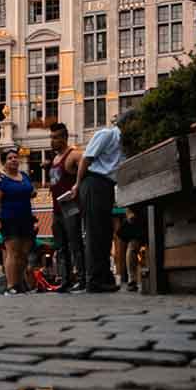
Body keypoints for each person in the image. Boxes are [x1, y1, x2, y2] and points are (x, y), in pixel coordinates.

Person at [70, 115, 128, 293]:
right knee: (95, 232)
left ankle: (104, 277)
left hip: (107, 186)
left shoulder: (125, 144)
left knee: (105, 233)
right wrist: (78, 185)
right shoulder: (107, 134)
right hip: (93, 182)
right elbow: (86, 160)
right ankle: (94, 280)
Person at [47, 122, 86, 293]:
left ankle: (83, 278)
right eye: (51, 137)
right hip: (56, 209)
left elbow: (85, 159)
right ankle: (65, 280)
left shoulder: (73, 154)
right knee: (60, 247)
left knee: (75, 243)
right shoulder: (54, 159)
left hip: (70, 206)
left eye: (55, 138)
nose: (52, 141)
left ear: (64, 138)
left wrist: (77, 184)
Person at [0, 147, 37, 296]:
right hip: (9, 218)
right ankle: (11, 285)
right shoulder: (1, 179)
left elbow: (31, 191)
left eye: (15, 157)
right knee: (12, 252)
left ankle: (19, 283)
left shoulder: (24, 176)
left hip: (26, 217)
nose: (14, 160)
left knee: (24, 253)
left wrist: (32, 192)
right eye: (10, 158)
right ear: (4, 162)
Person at [117, 208, 146, 292]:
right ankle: (132, 280)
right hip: (137, 216)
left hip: (141, 216)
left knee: (133, 245)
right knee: (133, 245)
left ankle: (132, 280)